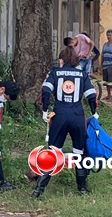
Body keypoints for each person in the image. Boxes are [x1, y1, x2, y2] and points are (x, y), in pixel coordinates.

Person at [34, 45, 99, 198]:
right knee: (79, 152)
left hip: (59, 115)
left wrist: (45, 110)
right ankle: (82, 189)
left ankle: (38, 191)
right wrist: (94, 113)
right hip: (77, 116)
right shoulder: (82, 74)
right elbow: (91, 95)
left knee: (53, 153)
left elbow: (45, 90)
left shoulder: (55, 73)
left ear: (61, 60)